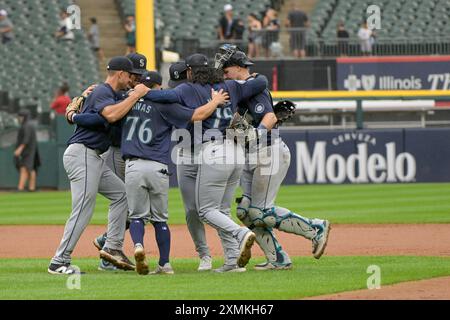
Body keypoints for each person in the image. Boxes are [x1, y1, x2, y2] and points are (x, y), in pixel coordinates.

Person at [145, 52, 269, 272]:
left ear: (190, 72)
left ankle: (238, 239)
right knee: (208, 209)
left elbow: (163, 99)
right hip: (224, 149)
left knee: (207, 210)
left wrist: (140, 92)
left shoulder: (185, 90)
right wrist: (253, 76)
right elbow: (261, 83)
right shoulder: (227, 86)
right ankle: (225, 259)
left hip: (210, 151)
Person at [219, 46, 331, 270]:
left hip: (268, 152)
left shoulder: (255, 87)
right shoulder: (240, 89)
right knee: (245, 212)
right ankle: (277, 258)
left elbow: (269, 116)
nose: (224, 74)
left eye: (227, 70)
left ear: (240, 68)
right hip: (251, 154)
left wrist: (256, 134)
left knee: (260, 211)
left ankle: (315, 228)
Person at [48, 57, 150, 275]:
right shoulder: (103, 92)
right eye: (129, 75)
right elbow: (111, 115)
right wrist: (136, 95)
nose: (131, 79)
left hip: (93, 156)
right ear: (120, 73)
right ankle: (59, 261)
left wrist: (73, 114)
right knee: (83, 209)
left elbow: (92, 117)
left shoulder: (107, 94)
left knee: (121, 195)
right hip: (83, 153)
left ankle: (112, 248)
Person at [124, 74, 229, 276]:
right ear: (158, 86)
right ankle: (165, 263)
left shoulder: (127, 102)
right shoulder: (166, 106)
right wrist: (215, 101)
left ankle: (138, 245)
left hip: (133, 165)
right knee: (160, 220)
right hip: (158, 166)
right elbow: (196, 115)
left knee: (137, 216)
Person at [14, 110, 40, 192]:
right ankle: (31, 188)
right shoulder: (27, 125)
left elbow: (26, 139)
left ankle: (22, 187)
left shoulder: (27, 125)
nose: (19, 118)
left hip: (28, 151)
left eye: (20, 116)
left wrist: (20, 149)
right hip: (29, 150)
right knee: (28, 168)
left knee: (26, 168)